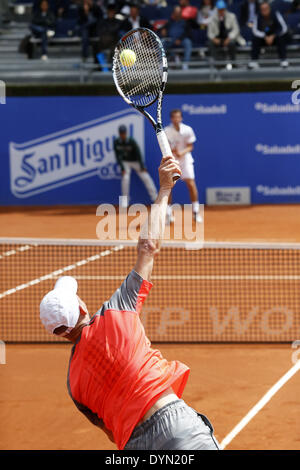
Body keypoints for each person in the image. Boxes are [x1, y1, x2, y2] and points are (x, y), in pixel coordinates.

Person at [39, 155, 220, 451]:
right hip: (175, 423)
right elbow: (148, 247)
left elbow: (110, 432)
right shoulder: (116, 312)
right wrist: (164, 189)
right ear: (82, 308)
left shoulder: (74, 386)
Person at [164, 109, 202, 224]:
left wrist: (182, 152)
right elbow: (165, 148)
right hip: (173, 161)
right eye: (174, 117)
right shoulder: (166, 131)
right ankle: (168, 214)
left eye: (178, 117)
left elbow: (190, 146)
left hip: (185, 160)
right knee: (169, 187)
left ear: (181, 118)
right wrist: (172, 150)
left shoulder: (187, 130)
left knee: (191, 183)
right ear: (171, 119)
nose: (176, 119)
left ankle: (195, 212)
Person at [114, 125, 158, 207]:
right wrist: (122, 168)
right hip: (125, 162)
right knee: (125, 178)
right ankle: (124, 201)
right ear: (119, 134)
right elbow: (117, 156)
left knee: (146, 177)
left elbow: (138, 154)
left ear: (126, 133)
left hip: (136, 162)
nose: (122, 135)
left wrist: (141, 166)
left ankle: (155, 198)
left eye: (123, 133)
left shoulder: (131, 141)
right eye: (121, 133)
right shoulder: (116, 142)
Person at [248, 1, 289, 69]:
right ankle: (254, 61)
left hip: (275, 37)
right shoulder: (257, 16)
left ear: (269, 8)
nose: (264, 11)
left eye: (266, 9)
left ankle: (283, 60)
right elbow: (255, 31)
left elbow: (284, 28)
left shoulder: (275, 14)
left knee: (281, 37)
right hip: (264, 38)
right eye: (262, 9)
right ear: (260, 10)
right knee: (255, 39)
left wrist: (273, 35)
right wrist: (265, 37)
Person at [207, 0, 244, 70]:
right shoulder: (212, 18)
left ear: (225, 9)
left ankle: (233, 63)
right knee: (210, 43)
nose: (221, 11)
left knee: (232, 43)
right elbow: (209, 33)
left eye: (222, 9)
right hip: (217, 38)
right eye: (220, 10)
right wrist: (214, 39)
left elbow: (236, 30)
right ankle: (216, 64)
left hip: (228, 38)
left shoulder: (232, 16)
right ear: (217, 9)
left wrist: (229, 38)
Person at [158, 5, 194, 70]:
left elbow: (188, 33)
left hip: (181, 40)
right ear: (173, 13)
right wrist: (163, 30)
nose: (177, 14)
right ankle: (161, 63)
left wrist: (180, 39)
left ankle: (185, 64)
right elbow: (162, 29)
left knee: (188, 42)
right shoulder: (170, 22)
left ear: (181, 13)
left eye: (179, 12)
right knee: (162, 42)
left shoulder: (185, 22)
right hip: (171, 40)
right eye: (176, 12)